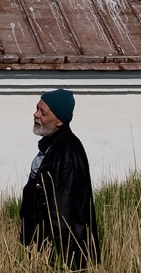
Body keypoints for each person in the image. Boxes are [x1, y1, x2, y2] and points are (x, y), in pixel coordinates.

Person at [19, 88, 100, 268]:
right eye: (37, 108)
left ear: (59, 121)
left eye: (43, 112)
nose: (35, 114)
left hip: (63, 256)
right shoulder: (52, 146)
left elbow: (60, 212)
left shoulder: (65, 153)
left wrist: (53, 258)